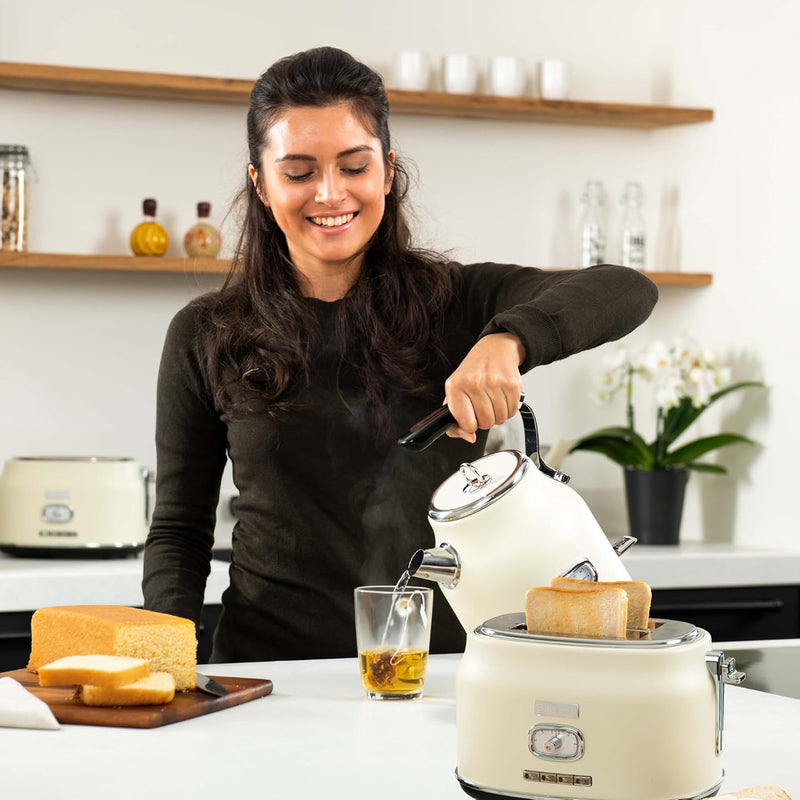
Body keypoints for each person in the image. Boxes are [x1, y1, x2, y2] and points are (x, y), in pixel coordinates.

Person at [142, 46, 658, 663]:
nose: (329, 194)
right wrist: (163, 668)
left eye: (353, 166)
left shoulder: (458, 302)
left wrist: (507, 339)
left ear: (387, 170)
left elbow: (627, 288)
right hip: (269, 676)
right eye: (298, 172)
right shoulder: (206, 332)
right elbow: (179, 530)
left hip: (441, 676)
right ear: (261, 183)